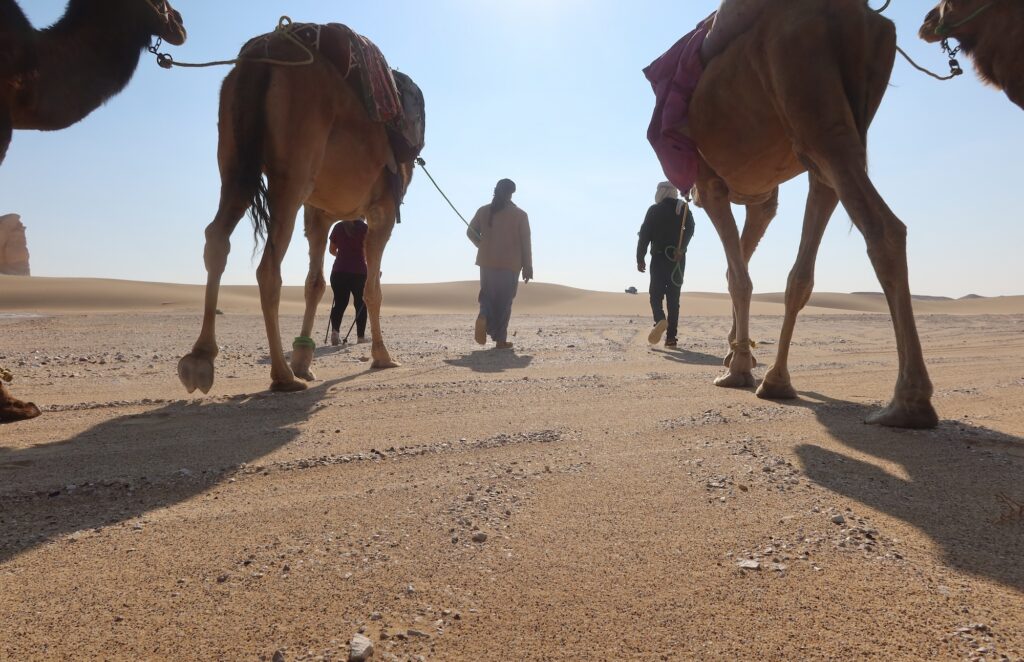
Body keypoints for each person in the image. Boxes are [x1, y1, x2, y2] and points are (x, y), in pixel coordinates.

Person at [467, 179, 533, 350]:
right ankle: (500, 340)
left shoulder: (483, 211)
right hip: (510, 264)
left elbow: (470, 232)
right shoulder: (520, 215)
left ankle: (483, 316)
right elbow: (526, 243)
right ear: (512, 193)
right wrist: (528, 267)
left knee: (487, 296)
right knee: (504, 302)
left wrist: (481, 244)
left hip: (486, 261)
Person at [637, 181, 695, 349]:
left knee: (655, 294)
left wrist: (640, 258)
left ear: (661, 193)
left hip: (659, 258)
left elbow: (644, 235)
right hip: (677, 259)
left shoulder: (654, 210)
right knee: (673, 298)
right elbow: (690, 229)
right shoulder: (682, 208)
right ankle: (671, 338)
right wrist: (682, 248)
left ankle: (660, 319)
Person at [328, 219, 369, 346]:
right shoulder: (365, 228)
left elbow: (332, 250)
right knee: (360, 303)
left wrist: (342, 256)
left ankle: (335, 332)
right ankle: (360, 337)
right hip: (359, 272)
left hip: (339, 271)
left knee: (340, 303)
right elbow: (368, 252)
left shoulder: (338, 226)